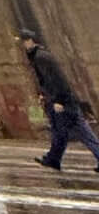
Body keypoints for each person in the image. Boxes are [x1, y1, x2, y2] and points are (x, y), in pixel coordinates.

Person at [19, 31, 99, 172]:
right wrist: (45, 95)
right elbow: (48, 81)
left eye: (24, 41)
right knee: (59, 131)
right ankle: (53, 159)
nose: (23, 45)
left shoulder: (41, 57)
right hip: (58, 100)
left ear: (31, 40)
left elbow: (56, 80)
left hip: (63, 102)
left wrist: (59, 100)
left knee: (82, 132)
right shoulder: (39, 56)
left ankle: (54, 159)